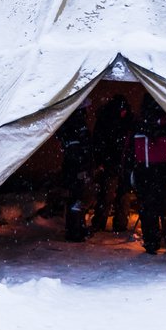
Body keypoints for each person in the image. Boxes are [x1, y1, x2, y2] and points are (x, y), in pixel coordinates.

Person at [132, 93, 166, 255]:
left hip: (147, 173)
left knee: (150, 211)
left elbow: (129, 151)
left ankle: (153, 242)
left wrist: (131, 172)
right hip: (162, 173)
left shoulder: (139, 126)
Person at [90, 94, 135, 232]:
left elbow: (98, 141)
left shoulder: (124, 121)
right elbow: (98, 142)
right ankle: (102, 223)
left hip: (121, 163)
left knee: (120, 195)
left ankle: (117, 224)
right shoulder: (109, 120)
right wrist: (102, 161)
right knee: (108, 194)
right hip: (113, 163)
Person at [56, 101, 94, 242]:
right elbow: (81, 149)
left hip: (73, 167)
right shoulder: (77, 124)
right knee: (76, 199)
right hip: (76, 168)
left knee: (76, 199)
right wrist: (83, 167)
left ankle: (77, 228)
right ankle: (75, 231)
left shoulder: (69, 124)